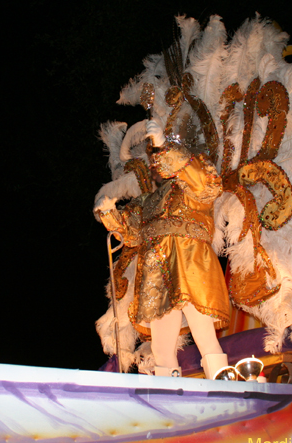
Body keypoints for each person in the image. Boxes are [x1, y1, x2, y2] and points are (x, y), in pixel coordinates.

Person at [95, 121, 233, 379]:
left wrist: (162, 145)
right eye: (153, 160)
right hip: (156, 270)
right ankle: (168, 393)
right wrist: (109, 213)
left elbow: (199, 178)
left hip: (190, 262)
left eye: (159, 156)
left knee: (204, 335)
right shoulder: (147, 201)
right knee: (161, 348)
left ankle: (224, 388)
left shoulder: (196, 181)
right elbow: (131, 233)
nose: (155, 164)